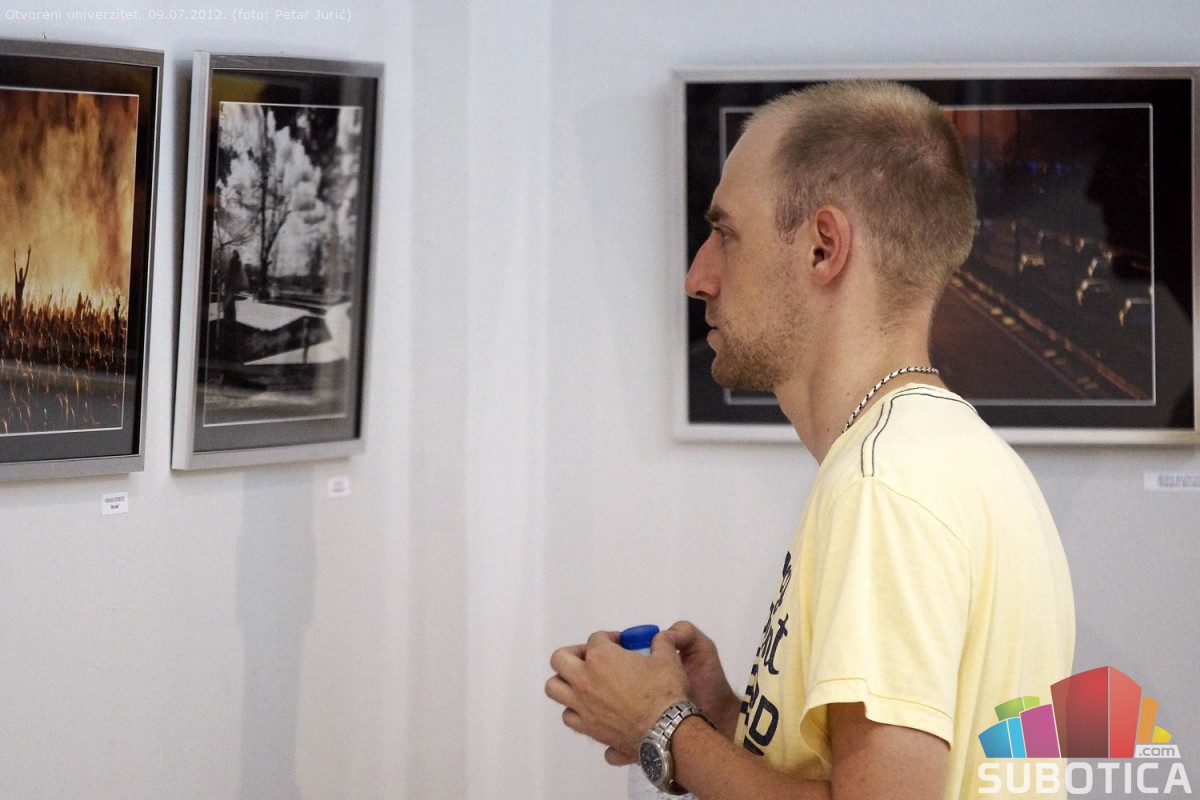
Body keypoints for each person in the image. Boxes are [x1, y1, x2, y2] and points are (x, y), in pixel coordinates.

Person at [545, 80, 1075, 800]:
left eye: (727, 234)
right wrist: (723, 717)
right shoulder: (958, 456)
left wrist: (663, 727)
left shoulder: (884, 486)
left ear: (824, 248)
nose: (698, 277)